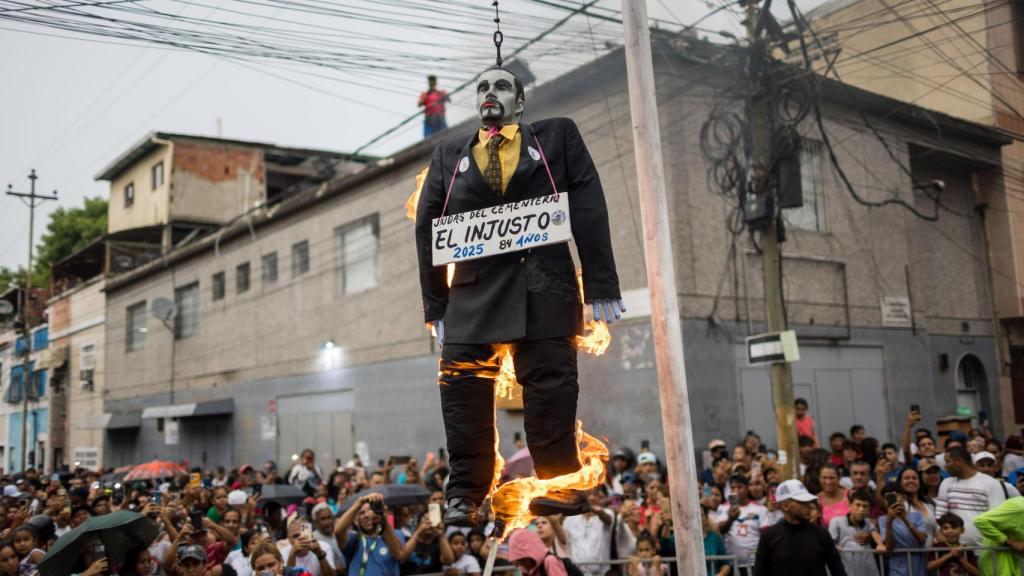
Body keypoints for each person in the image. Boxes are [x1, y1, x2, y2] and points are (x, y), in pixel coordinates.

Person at [415, 62, 623, 526]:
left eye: (501, 86)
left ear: (520, 102)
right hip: (471, 297)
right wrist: (436, 304)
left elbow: (588, 204)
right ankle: (465, 492)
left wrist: (601, 283)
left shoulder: (556, 138)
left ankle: (560, 482)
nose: (490, 93)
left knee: (551, 385)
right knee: (462, 388)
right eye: (482, 87)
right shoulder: (448, 155)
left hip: (544, 289)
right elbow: (427, 228)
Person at [752, 479, 846, 576]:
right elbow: (760, 573)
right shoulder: (769, 536)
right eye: (802, 502)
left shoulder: (821, 534)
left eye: (808, 501)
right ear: (786, 506)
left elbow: (838, 570)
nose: (808, 506)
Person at [934, 445, 1006, 547]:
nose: (945, 466)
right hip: (953, 550)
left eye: (948, 461)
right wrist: (939, 531)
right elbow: (940, 513)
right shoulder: (946, 483)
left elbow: (998, 517)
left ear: (959, 461)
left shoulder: (992, 483)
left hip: (985, 549)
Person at [563, 487, 634, 576]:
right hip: (577, 573)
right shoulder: (569, 519)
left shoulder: (607, 513)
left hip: (602, 573)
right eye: (588, 494)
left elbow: (608, 519)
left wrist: (599, 512)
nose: (592, 498)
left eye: (595, 494)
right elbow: (564, 543)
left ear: (600, 497)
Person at [335, 493, 405, 576]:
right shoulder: (353, 539)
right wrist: (360, 502)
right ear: (355, 521)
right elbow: (338, 531)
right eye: (362, 513)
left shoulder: (395, 534)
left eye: (370, 510)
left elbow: (399, 555)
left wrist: (383, 519)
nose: (367, 515)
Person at [713, 475, 767, 574]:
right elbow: (721, 531)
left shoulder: (760, 509)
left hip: (754, 563)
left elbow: (765, 535)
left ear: (747, 489)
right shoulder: (723, 508)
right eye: (733, 488)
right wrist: (730, 519)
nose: (736, 490)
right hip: (731, 564)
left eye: (739, 487)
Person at [828, 490, 882, 576]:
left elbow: (875, 534)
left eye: (865, 506)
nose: (861, 509)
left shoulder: (868, 522)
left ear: (869, 510)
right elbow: (830, 542)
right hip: (847, 570)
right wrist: (834, 546)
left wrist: (880, 544)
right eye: (858, 505)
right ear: (850, 505)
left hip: (868, 570)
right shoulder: (836, 521)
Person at [878, 483, 927, 576]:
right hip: (897, 569)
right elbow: (889, 547)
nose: (891, 500)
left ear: (903, 498)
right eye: (887, 497)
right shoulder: (883, 519)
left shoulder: (917, 515)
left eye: (894, 496)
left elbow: (922, 539)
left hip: (917, 567)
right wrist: (889, 522)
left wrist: (905, 519)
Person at [972, 495, 1024, 576]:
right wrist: (1009, 542)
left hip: (1017, 564)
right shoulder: (1020, 507)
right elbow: (980, 521)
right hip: (999, 563)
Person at [312, 502, 345, 573]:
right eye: (323, 519)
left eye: (329, 517)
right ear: (316, 522)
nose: (327, 522)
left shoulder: (339, 534)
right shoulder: (313, 539)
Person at [816, 465, 848, 529]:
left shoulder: (849, 495)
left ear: (839, 478)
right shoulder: (816, 500)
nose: (828, 482)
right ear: (819, 478)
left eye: (831, 478)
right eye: (824, 478)